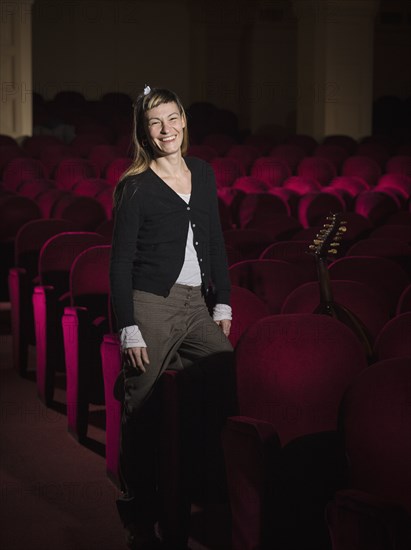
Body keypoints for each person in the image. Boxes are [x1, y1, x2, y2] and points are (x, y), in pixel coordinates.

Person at [110, 85, 233, 550]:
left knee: (226, 374)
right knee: (140, 406)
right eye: (156, 122)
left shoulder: (203, 173)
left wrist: (222, 303)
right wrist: (129, 327)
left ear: (184, 119)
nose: (167, 130)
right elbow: (120, 263)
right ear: (145, 130)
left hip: (196, 304)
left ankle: (200, 489)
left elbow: (216, 241)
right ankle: (139, 512)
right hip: (151, 304)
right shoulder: (135, 186)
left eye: (173, 118)